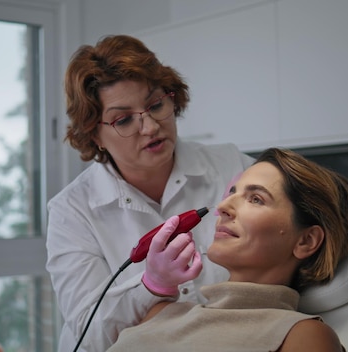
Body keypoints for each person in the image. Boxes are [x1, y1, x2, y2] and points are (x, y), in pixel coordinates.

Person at [45, 34, 254, 351]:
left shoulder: (230, 165)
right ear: (94, 134)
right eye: (124, 119)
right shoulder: (71, 211)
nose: (151, 126)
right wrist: (150, 285)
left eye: (156, 104)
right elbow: (90, 334)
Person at [106, 147, 348, 352]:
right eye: (232, 192)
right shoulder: (161, 312)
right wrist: (156, 285)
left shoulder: (301, 335)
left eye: (256, 199)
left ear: (306, 241)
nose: (223, 207)